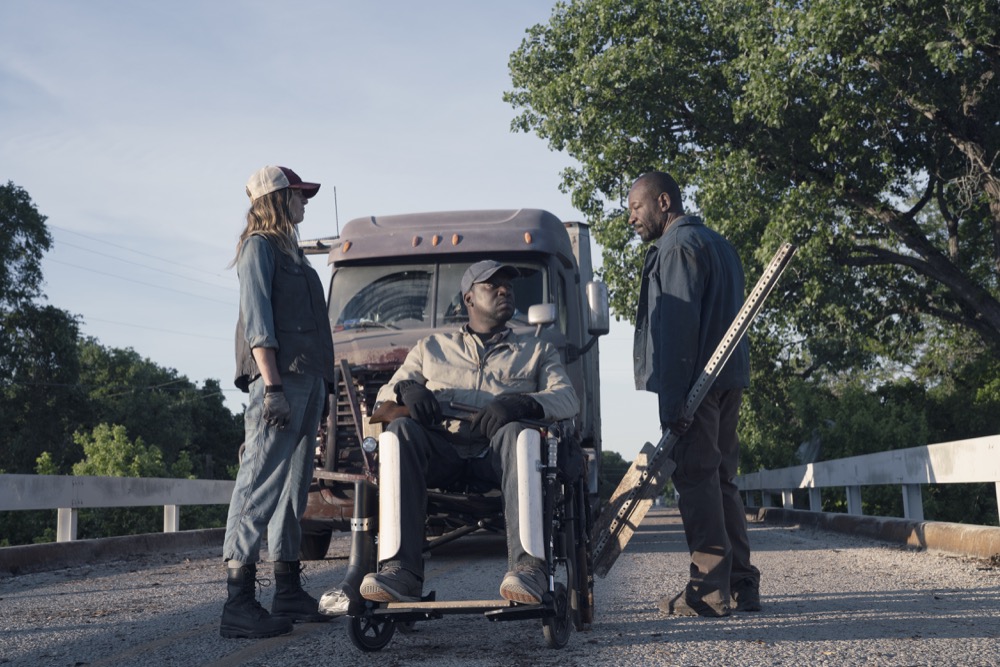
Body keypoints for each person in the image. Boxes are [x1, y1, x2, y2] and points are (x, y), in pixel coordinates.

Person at [358, 260, 579, 604]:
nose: (505, 290)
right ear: (469, 299)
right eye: (493, 286)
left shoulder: (537, 351)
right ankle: (399, 571)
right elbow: (383, 398)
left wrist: (521, 404)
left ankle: (528, 571)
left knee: (517, 434)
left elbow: (567, 398)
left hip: (500, 458)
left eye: (508, 286)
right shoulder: (431, 348)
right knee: (400, 430)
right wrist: (407, 391)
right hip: (443, 454)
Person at [628, 171, 761, 618]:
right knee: (721, 478)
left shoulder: (677, 247)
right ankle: (743, 583)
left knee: (697, 479)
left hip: (697, 383)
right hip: (728, 377)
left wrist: (673, 406)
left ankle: (707, 591)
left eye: (636, 208)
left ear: (664, 203)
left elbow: (678, 329)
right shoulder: (720, 244)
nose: (631, 218)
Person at [220, 165, 336, 639]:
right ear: (277, 197)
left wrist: (322, 389)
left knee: (293, 488)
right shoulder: (258, 248)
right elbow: (259, 322)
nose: (304, 203)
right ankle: (238, 601)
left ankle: (287, 586)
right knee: (259, 484)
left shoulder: (295, 254)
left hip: (308, 381)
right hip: (280, 381)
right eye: (299, 196)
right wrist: (271, 387)